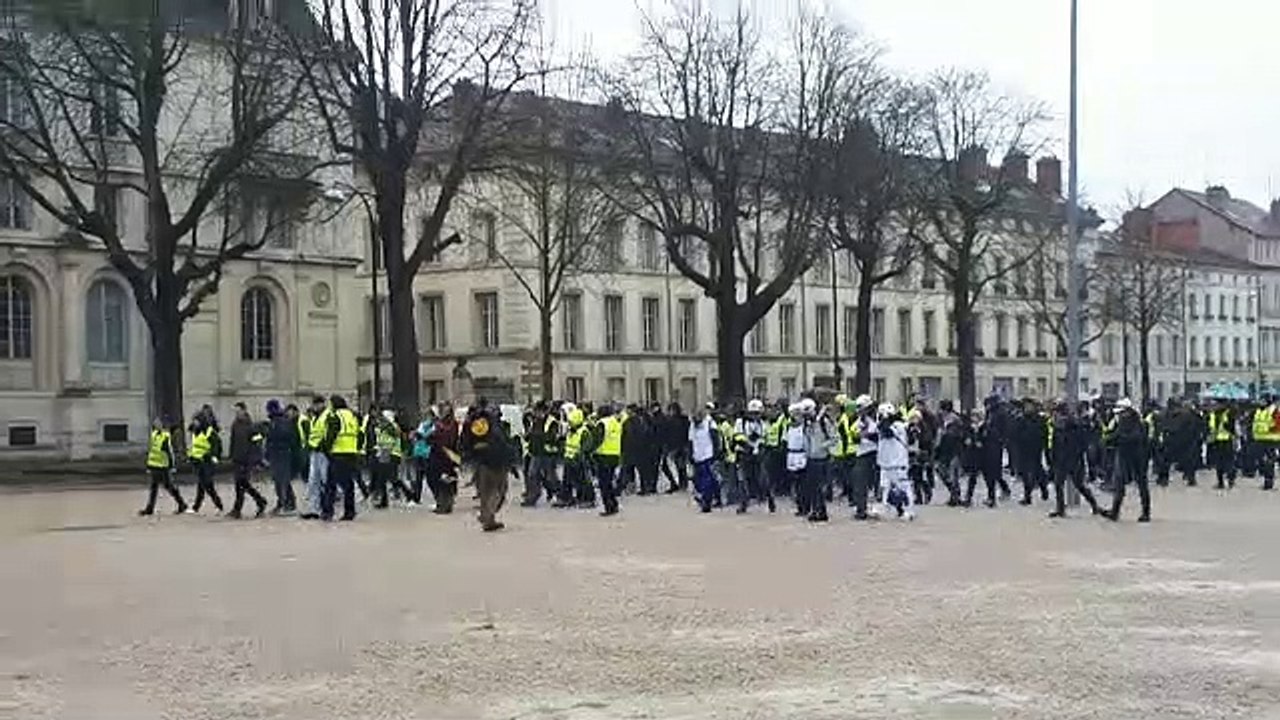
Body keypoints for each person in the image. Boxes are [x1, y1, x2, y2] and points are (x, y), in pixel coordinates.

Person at [460, 402, 516, 531]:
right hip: (497, 463)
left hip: (482, 463)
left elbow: (464, 444)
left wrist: (469, 458)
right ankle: (488, 517)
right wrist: (511, 461)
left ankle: (487, 518)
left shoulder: (472, 424)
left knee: (486, 494)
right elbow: (503, 444)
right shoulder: (496, 426)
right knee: (500, 492)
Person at [1046, 399, 1101, 518]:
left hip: (1074, 460)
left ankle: (1094, 505)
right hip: (1061, 460)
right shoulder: (1057, 426)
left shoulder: (1074, 425)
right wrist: (1053, 459)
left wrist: (1078, 455)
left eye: (1058, 412)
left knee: (1079, 485)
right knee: (1058, 484)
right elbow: (1055, 444)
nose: (1056, 415)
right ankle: (1060, 509)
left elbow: (1081, 443)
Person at [1102, 398, 1151, 523]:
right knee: (1132, 483)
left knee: (1129, 483)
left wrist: (1112, 439)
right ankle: (1118, 511)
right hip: (1133, 455)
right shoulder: (1137, 421)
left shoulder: (1129, 421)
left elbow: (1126, 436)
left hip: (1131, 456)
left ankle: (1117, 511)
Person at [320, 395, 361, 522]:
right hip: (351, 453)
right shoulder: (352, 416)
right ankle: (350, 511)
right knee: (348, 484)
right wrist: (356, 449)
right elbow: (360, 435)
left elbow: (330, 436)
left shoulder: (335, 416)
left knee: (330, 484)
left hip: (338, 454)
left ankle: (328, 512)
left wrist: (326, 450)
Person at [139, 416, 188, 516]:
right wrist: (149, 465)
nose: (156, 424)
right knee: (154, 487)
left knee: (169, 486)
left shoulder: (165, 436)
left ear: (162, 424)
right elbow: (152, 451)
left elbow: (169, 453)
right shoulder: (154, 435)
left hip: (163, 466)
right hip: (154, 465)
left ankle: (181, 504)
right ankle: (150, 508)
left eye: (158, 422)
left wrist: (171, 466)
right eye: (155, 422)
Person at [227, 402, 268, 519]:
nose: (237, 414)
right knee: (240, 484)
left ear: (244, 411)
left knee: (242, 483)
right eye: (235, 412)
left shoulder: (250, 426)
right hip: (237, 458)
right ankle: (241, 508)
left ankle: (258, 502)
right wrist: (231, 455)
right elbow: (233, 441)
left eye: (239, 411)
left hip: (246, 459)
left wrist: (255, 459)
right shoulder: (235, 425)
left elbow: (256, 444)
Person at [874, 403, 914, 520]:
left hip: (897, 463)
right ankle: (888, 508)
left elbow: (888, 431)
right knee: (885, 489)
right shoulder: (884, 425)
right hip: (885, 463)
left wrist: (885, 417)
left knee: (903, 488)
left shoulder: (897, 425)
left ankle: (909, 511)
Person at [801, 397, 835, 523]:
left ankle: (821, 511)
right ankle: (816, 510)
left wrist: (821, 446)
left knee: (820, 487)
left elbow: (834, 438)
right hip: (810, 459)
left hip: (822, 458)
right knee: (812, 487)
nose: (806, 417)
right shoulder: (808, 423)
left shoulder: (823, 422)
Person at [371, 409, 414, 508]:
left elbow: (390, 440)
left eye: (383, 417)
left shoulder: (391, 427)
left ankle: (409, 495)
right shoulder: (385, 427)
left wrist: (381, 447)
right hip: (385, 453)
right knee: (383, 478)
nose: (381, 419)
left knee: (392, 478)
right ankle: (385, 501)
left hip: (390, 454)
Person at [523, 401, 562, 506]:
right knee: (532, 474)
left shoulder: (552, 421)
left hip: (548, 453)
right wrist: (528, 436)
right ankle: (532, 497)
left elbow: (553, 437)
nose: (536, 413)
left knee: (551, 477)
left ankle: (561, 496)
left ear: (544, 411)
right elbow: (530, 433)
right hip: (536, 452)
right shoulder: (535, 421)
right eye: (536, 411)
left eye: (538, 411)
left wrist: (537, 436)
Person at [263, 399, 299, 514]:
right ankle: (286, 503)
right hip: (277, 454)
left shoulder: (281, 422)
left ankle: (286, 504)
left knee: (281, 480)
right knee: (280, 480)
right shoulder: (275, 422)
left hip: (282, 454)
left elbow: (286, 438)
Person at [734, 399, 771, 513]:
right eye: (753, 413)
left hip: (757, 455)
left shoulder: (763, 424)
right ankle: (743, 503)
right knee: (742, 480)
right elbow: (737, 436)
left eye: (758, 413)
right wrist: (746, 444)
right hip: (744, 454)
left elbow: (765, 438)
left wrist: (760, 446)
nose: (756, 416)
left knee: (762, 479)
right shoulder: (741, 422)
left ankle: (770, 498)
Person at [556, 406, 596, 507]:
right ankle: (566, 498)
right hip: (569, 459)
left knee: (583, 481)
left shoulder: (583, 432)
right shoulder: (571, 431)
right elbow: (567, 444)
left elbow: (587, 446)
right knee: (567, 481)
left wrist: (579, 455)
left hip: (580, 460)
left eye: (571, 422)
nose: (569, 424)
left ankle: (587, 499)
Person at [427, 402, 461, 513]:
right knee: (436, 480)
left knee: (444, 481)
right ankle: (443, 503)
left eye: (445, 408)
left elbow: (450, 439)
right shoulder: (439, 424)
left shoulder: (451, 424)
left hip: (446, 456)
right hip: (439, 455)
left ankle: (444, 504)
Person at [187, 409, 223, 514]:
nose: (195, 422)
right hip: (198, 462)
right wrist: (190, 456)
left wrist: (214, 456)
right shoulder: (194, 432)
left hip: (207, 461)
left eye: (196, 420)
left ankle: (216, 505)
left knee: (206, 484)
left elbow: (217, 445)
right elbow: (194, 446)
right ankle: (202, 506)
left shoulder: (209, 431)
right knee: (203, 485)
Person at [300, 396, 330, 520]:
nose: (315, 407)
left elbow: (328, 433)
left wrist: (322, 446)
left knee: (325, 480)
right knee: (313, 482)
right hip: (314, 452)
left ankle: (326, 507)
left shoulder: (327, 416)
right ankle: (314, 509)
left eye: (317, 405)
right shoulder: (315, 417)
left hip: (323, 452)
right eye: (314, 405)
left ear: (322, 404)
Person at [593, 403, 625, 516]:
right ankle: (614, 504)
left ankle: (609, 507)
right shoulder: (616, 422)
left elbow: (597, 439)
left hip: (603, 455)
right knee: (609, 482)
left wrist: (591, 451)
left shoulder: (602, 423)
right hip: (614, 455)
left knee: (604, 484)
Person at [689, 403, 720, 514]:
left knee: (707, 480)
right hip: (697, 456)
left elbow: (715, 439)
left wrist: (716, 454)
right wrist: (690, 454)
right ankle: (705, 497)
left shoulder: (710, 423)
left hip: (708, 455)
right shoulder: (693, 425)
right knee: (697, 480)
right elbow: (691, 440)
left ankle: (707, 501)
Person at [851, 395, 878, 520]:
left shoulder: (874, 419)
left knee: (868, 483)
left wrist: (865, 434)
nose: (859, 411)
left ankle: (866, 509)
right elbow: (855, 437)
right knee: (859, 483)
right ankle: (861, 508)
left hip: (871, 454)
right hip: (861, 453)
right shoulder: (859, 421)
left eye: (861, 408)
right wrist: (860, 435)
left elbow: (877, 436)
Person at [1205, 399, 1236, 490]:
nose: (1214, 406)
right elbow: (1211, 427)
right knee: (1219, 463)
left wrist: (1227, 425)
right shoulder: (1213, 415)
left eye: (1217, 404)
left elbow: (1232, 427)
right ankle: (1220, 482)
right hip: (1217, 440)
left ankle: (1230, 479)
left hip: (1226, 440)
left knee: (1228, 462)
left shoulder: (1228, 413)